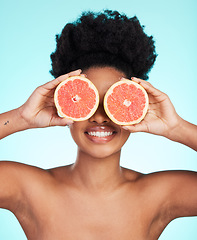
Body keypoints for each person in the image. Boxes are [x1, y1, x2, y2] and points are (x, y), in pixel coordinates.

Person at [0, 10, 197, 240]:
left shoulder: (159, 194)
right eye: (88, 101)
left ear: (135, 107)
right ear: (64, 105)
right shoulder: (28, 189)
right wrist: (22, 117)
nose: (100, 117)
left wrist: (176, 127)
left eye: (113, 102)